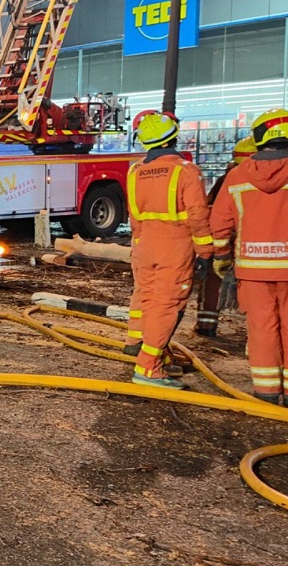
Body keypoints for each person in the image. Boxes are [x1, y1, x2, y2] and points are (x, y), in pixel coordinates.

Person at [122, 110, 213, 390]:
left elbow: (134, 216)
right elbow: (198, 215)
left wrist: (139, 244)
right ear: (174, 136)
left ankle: (138, 345)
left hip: (144, 244)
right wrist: (207, 252)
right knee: (167, 304)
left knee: (146, 296)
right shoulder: (185, 171)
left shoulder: (135, 171)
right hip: (175, 246)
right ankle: (149, 367)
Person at [211, 109, 288, 404]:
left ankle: (266, 392)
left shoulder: (238, 175)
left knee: (262, 329)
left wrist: (221, 255)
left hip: (252, 269)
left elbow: (220, 221)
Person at [196, 137, 256, 337]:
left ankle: (206, 324)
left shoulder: (229, 178)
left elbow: (214, 210)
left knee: (212, 280)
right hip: (254, 244)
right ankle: (258, 335)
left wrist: (219, 250)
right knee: (260, 294)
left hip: (229, 239)